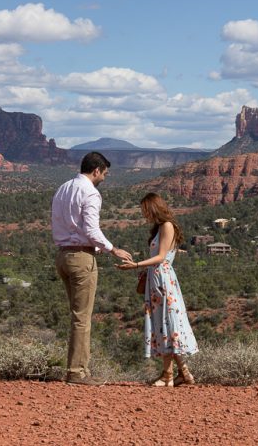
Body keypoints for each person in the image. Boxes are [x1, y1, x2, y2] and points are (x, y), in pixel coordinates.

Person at [51, 151, 133, 386]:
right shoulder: (90, 193)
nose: (104, 178)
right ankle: (77, 372)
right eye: (104, 174)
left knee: (76, 315)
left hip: (63, 256)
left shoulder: (63, 188)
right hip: (81, 258)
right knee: (82, 318)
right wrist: (112, 249)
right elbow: (91, 230)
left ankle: (75, 369)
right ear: (96, 170)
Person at [119, 192, 198, 387]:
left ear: (153, 207)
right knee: (164, 324)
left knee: (165, 324)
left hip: (162, 280)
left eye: (146, 209)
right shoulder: (160, 227)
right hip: (157, 280)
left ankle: (167, 375)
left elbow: (161, 257)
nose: (144, 214)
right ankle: (183, 374)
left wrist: (136, 264)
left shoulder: (167, 226)